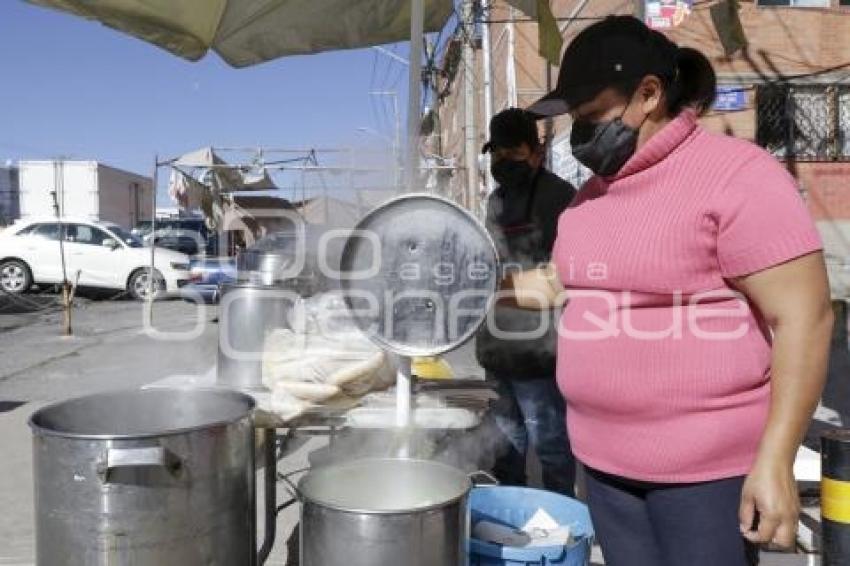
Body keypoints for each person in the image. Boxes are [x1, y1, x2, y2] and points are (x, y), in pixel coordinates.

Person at [504, 16, 833, 566]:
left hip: (704, 476)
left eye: (589, 116)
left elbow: (807, 317)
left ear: (649, 94)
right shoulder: (589, 198)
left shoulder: (737, 176)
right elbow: (571, 283)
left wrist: (775, 459)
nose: (578, 135)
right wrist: (472, 294)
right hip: (605, 467)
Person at [476, 107, 578, 496]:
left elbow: (565, 274)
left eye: (511, 153)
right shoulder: (495, 202)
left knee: (549, 442)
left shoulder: (560, 197)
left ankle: (559, 510)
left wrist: (500, 285)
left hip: (540, 348)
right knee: (506, 440)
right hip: (497, 344)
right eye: (496, 154)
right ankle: (509, 506)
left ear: (535, 153)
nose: (502, 162)